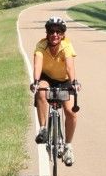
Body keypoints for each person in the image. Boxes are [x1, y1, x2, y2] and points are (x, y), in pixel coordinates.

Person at [31, 16, 80, 166]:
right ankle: (44, 129)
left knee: (71, 112)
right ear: (47, 33)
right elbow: (38, 64)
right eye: (51, 31)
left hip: (64, 80)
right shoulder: (41, 45)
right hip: (47, 77)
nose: (55, 35)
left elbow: (70, 66)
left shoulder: (67, 45)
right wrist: (36, 81)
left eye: (58, 32)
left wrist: (73, 82)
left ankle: (68, 147)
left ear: (63, 35)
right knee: (41, 91)